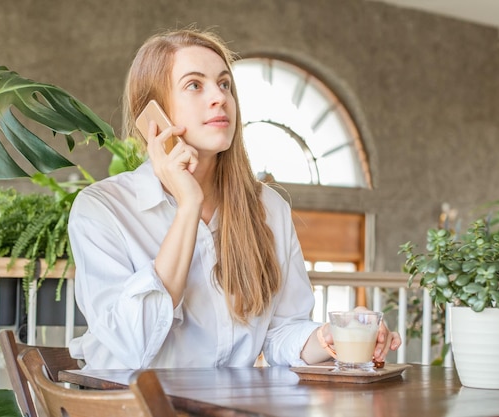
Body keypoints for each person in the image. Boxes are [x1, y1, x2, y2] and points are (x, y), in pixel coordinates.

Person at [67, 26, 401, 369]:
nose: (220, 97)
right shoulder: (102, 209)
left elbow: (281, 332)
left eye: (224, 83)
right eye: (194, 85)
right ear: (153, 116)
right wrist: (188, 207)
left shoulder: (268, 208)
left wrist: (332, 334)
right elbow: (130, 347)